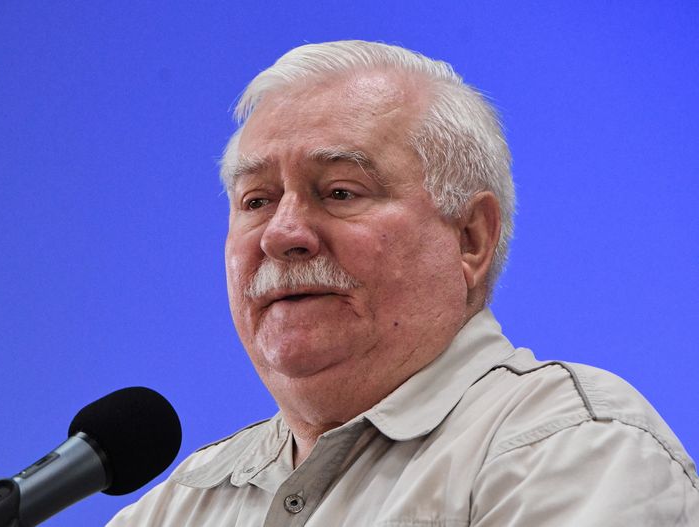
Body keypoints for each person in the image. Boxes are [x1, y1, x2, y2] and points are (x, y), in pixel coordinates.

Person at [108, 40, 699, 525]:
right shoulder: (174, 509)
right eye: (256, 201)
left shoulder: (569, 448)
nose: (282, 234)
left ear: (470, 238)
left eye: (340, 192)